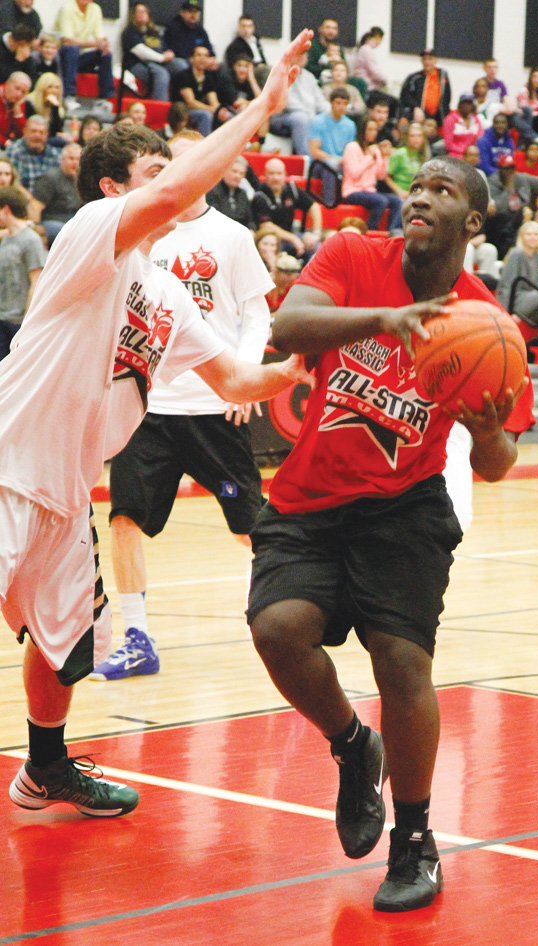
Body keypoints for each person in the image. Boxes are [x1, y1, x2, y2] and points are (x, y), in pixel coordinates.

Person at [0, 28, 314, 819]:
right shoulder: (87, 239)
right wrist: (264, 106)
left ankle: (45, 771)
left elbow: (241, 378)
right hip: (7, 467)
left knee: (68, 647)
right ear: (115, 189)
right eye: (153, 171)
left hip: (67, 496)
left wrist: (309, 360)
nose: (174, 185)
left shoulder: (166, 294)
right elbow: (175, 194)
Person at [247, 155, 534, 913]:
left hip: (404, 507)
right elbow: (287, 324)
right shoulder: (351, 252)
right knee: (278, 631)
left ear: (472, 222)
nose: (421, 196)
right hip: (310, 498)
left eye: (443, 190)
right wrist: (387, 320)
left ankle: (414, 842)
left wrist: (491, 432)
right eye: (418, 185)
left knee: (402, 661)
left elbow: (502, 464)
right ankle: (351, 744)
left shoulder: (485, 324)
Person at [90, 131, 274, 681]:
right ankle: (137, 637)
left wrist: (242, 373)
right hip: (147, 406)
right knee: (123, 517)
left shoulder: (232, 235)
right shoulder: (142, 229)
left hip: (213, 405)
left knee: (250, 527)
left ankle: (285, 616)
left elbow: (258, 313)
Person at [0, 184, 44, 360]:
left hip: (18, 321)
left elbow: (36, 281)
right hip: (3, 316)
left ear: (6, 209)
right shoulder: (6, 237)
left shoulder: (31, 240)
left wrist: (27, 320)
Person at [252, 156, 322, 260]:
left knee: (315, 246)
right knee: (272, 245)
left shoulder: (291, 190)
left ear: (285, 174)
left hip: (290, 236)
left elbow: (314, 207)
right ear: (265, 174)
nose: (276, 178)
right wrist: (293, 238)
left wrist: (315, 234)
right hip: (269, 238)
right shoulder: (259, 195)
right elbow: (267, 226)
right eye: (272, 173)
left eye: (279, 173)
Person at [341, 115, 401, 232]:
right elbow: (354, 173)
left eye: (375, 130)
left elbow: (381, 175)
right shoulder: (352, 147)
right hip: (352, 191)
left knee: (397, 201)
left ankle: (391, 233)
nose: (373, 133)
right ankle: (371, 231)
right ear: (363, 130)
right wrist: (369, 157)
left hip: (370, 191)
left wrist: (384, 157)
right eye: (370, 129)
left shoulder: (375, 149)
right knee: (380, 201)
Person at [55, 0, 115, 112]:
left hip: (80, 57)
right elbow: (67, 39)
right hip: (63, 56)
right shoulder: (67, 8)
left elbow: (99, 36)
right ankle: (69, 95)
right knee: (72, 49)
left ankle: (104, 98)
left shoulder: (95, 9)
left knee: (105, 54)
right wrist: (94, 43)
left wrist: (104, 44)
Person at [269, 50, 327, 156]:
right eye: (298, 54)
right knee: (301, 119)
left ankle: (326, 159)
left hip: (309, 116)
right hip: (281, 117)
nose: (301, 57)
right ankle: (305, 160)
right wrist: (310, 116)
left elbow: (320, 101)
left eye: (304, 54)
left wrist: (330, 113)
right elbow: (287, 102)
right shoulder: (283, 73)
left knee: (327, 118)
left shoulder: (310, 77)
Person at [121, 3, 179, 103]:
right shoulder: (130, 31)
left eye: (144, 12)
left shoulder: (154, 32)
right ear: (133, 15)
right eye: (139, 12)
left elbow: (164, 47)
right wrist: (161, 58)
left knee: (181, 65)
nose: (142, 14)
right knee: (161, 74)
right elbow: (140, 51)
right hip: (138, 65)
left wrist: (169, 54)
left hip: (159, 62)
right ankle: (161, 108)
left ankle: (180, 105)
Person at [170, 45, 233, 137]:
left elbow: (213, 101)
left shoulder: (209, 78)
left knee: (229, 116)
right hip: (182, 111)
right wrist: (212, 110)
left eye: (205, 56)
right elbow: (190, 102)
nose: (202, 59)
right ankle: (205, 146)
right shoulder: (184, 76)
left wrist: (220, 110)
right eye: (199, 55)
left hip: (201, 109)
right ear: (191, 59)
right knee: (206, 115)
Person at [30, 140, 81, 244]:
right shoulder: (50, 178)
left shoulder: (84, 180)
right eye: (71, 158)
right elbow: (34, 207)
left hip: (76, 223)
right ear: (62, 160)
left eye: (78, 159)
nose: (75, 163)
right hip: (53, 223)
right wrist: (36, 229)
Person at [6, 114, 61, 191]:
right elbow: (12, 185)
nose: (37, 135)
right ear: (25, 131)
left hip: (50, 200)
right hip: (22, 199)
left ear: (47, 134)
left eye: (41, 132)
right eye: (33, 131)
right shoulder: (14, 152)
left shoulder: (55, 155)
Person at [400, 48, 451, 126]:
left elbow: (447, 96)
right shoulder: (414, 77)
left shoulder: (443, 75)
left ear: (436, 60)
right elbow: (405, 95)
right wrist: (416, 107)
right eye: (424, 59)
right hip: (420, 116)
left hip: (438, 117)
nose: (427, 62)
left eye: (430, 59)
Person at [164, 0, 215, 74]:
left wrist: (211, 59)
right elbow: (177, 51)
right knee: (185, 66)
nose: (193, 15)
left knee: (217, 67)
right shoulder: (174, 28)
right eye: (190, 11)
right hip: (179, 60)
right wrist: (196, 60)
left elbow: (209, 49)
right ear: (182, 13)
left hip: (198, 60)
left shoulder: (201, 31)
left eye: (196, 12)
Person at [207, 154, 254, 229]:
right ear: (225, 171)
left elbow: (250, 220)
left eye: (241, 173)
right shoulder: (212, 192)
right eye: (234, 171)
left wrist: (251, 231)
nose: (237, 176)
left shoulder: (243, 194)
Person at [387, 121, 429, 200]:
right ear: (407, 138)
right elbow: (386, 176)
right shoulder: (400, 153)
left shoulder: (423, 155)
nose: (416, 139)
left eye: (419, 136)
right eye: (412, 136)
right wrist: (399, 191)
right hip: (400, 195)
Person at [225, 14, 268, 86]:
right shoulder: (235, 45)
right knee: (267, 71)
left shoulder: (256, 42)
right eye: (243, 26)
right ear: (239, 27)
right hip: (249, 70)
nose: (246, 29)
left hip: (261, 67)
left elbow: (263, 59)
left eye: (249, 26)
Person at [24, 72, 67, 143]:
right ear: (42, 88)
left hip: (48, 139)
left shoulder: (58, 107)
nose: (54, 91)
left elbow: (56, 131)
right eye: (50, 87)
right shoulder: (30, 102)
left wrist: (55, 108)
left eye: (57, 88)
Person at [442, 92, 484, 159]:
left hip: (473, 155)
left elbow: (480, 138)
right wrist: (465, 153)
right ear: (459, 104)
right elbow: (448, 144)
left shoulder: (476, 120)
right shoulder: (450, 119)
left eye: (469, 104)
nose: (466, 106)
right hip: (455, 155)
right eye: (464, 103)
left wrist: (472, 153)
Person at [306, 18, 344, 82]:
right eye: (328, 28)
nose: (331, 31)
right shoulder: (312, 47)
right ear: (320, 29)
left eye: (334, 28)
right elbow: (308, 67)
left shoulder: (338, 47)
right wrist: (328, 64)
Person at [0, 69, 30, 147]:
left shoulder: (19, 102)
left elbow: (23, 134)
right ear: (7, 84)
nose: (19, 94)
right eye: (17, 88)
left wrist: (18, 113)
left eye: (23, 92)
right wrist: (5, 142)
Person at [352, 27, 387, 93]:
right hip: (367, 87)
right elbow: (374, 71)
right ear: (378, 37)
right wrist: (385, 79)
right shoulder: (367, 50)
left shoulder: (364, 49)